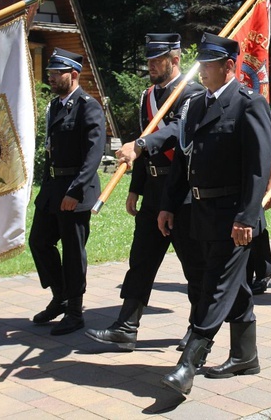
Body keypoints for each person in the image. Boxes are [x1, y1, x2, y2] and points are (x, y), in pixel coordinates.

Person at [157, 32, 271, 395]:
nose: (201, 70)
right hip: (201, 212)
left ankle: (189, 362)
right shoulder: (197, 105)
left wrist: (246, 217)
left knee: (214, 287)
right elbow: (184, 160)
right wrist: (168, 204)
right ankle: (245, 355)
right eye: (200, 63)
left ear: (228, 66)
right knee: (231, 286)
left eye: (208, 64)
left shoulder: (248, 104)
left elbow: (257, 168)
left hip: (234, 215)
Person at [85, 34, 205, 351]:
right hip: (152, 189)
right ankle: (126, 326)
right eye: (149, 60)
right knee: (141, 260)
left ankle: (199, 329)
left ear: (175, 60)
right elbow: (144, 139)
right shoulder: (147, 96)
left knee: (193, 263)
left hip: (181, 192)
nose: (151, 66)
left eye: (158, 60)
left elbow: (175, 130)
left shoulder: (192, 93)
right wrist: (135, 188)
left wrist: (139, 145)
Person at [29, 48, 106, 335]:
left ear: (73, 75)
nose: (50, 76)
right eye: (50, 72)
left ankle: (75, 310)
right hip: (52, 188)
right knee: (39, 241)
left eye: (55, 72)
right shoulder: (55, 106)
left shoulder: (89, 106)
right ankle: (59, 295)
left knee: (73, 252)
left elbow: (93, 154)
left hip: (75, 189)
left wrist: (76, 190)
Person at [247, 113, 271, 295]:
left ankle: (263, 273)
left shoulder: (265, 114)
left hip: (257, 181)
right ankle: (244, 275)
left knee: (257, 228)